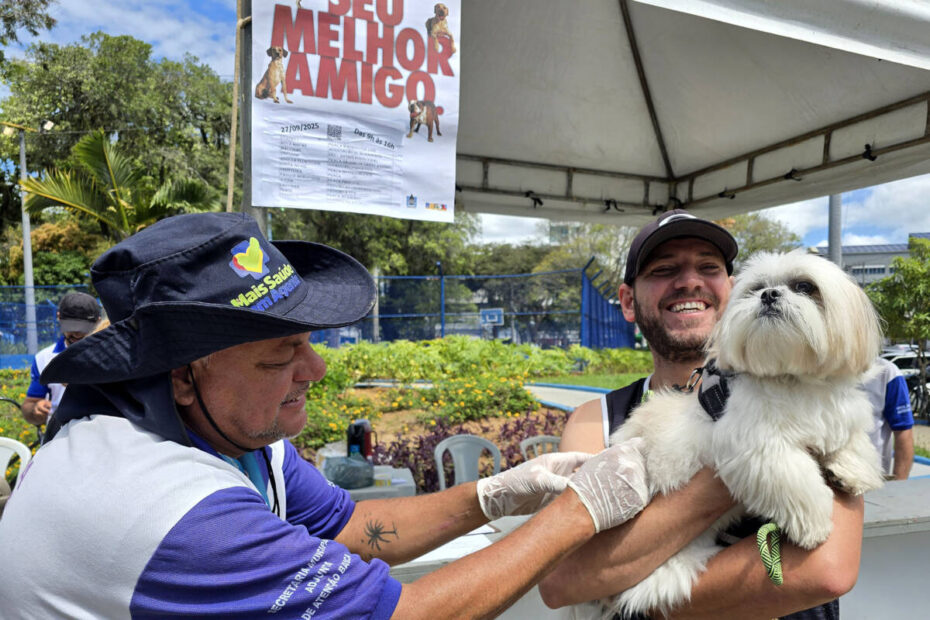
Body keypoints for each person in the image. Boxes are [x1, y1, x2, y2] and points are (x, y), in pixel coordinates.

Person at [0, 212, 649, 619]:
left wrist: (498, 493)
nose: (315, 370)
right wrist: (577, 513)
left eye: (309, 342)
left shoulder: (232, 435)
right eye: (281, 354)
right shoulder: (163, 506)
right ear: (183, 374)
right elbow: (408, 613)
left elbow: (351, 524)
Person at [540, 209, 864, 619]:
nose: (689, 281)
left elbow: (824, 571)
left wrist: (630, 588)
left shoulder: (818, 388)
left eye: (708, 267)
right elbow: (566, 579)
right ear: (626, 301)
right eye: (664, 269)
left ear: (731, 290)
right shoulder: (595, 420)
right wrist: (737, 456)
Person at [20, 291, 100, 427]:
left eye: (84, 328)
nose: (77, 333)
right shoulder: (44, 358)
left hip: (100, 433)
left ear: (98, 322)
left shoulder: (110, 355)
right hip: (59, 437)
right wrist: (36, 410)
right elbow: (30, 405)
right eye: (71, 326)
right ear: (59, 318)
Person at [862, 356, 914, 480]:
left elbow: (904, 433)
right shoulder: (817, 371)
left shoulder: (887, 372)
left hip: (870, 480)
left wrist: (899, 486)